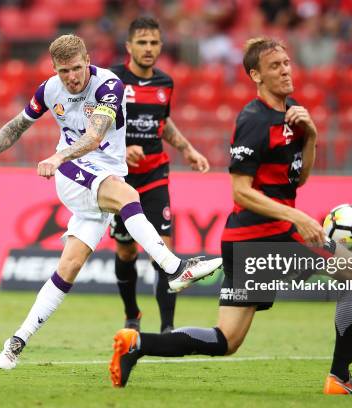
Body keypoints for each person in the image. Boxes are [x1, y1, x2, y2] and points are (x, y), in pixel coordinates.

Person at [108, 37, 352, 395]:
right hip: (265, 235)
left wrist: (311, 136)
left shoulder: (292, 114)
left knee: (226, 340)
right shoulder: (253, 119)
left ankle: (137, 344)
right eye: (275, 66)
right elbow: (240, 191)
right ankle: (340, 377)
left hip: (251, 238)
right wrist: (297, 217)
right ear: (256, 76)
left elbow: (301, 177)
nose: (284, 70)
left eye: (286, 63)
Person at [0, 34, 223, 370]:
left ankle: (17, 341)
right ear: (54, 69)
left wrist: (57, 155)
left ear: (87, 61)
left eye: (75, 68)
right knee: (128, 195)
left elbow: (95, 137)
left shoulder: (108, 86)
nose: (70, 77)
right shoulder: (48, 90)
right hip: (74, 175)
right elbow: (17, 125)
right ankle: (175, 267)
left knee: (68, 268)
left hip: (98, 175)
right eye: (62, 71)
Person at [109, 17, 211, 333]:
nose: (148, 48)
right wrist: (122, 148)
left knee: (163, 251)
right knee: (126, 250)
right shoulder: (111, 80)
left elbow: (162, 123)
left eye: (154, 42)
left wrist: (189, 150)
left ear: (161, 46)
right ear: (129, 46)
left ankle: (168, 329)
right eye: (142, 42)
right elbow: (94, 126)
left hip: (154, 173)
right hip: (120, 178)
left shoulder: (165, 83)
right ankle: (132, 314)